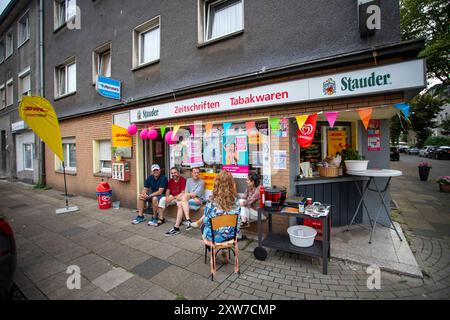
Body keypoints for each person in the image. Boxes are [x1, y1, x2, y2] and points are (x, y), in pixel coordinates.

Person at [201, 170, 240, 244]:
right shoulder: (236, 201)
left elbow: (206, 222)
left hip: (214, 237)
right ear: (232, 184)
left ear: (217, 184)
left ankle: (213, 251)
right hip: (232, 235)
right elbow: (238, 221)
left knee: (203, 226)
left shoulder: (211, 202)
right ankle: (223, 248)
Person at [165, 167, 205, 236]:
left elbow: (193, 194)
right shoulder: (189, 180)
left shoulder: (201, 182)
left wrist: (189, 195)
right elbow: (186, 192)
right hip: (188, 200)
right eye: (194, 173)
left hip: (198, 201)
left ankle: (181, 225)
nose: (196, 174)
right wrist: (188, 195)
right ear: (191, 173)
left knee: (182, 201)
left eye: (198, 173)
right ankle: (181, 224)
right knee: (181, 203)